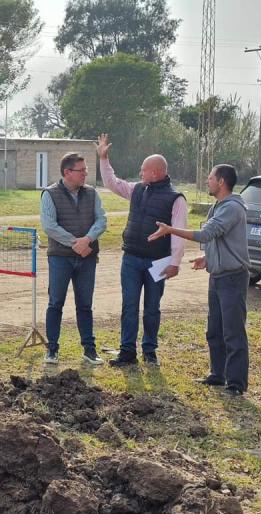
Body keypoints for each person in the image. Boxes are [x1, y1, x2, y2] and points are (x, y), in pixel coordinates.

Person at [148, 164, 250, 396]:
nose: (207, 180)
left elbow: (206, 234)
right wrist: (208, 256)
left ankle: (235, 384)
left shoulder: (232, 208)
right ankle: (218, 374)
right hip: (218, 275)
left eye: (210, 177)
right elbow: (220, 240)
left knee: (233, 331)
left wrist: (169, 230)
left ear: (221, 181)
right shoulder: (219, 206)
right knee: (214, 329)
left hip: (233, 278)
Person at [95, 133, 187, 367]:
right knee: (129, 305)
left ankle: (150, 350)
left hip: (158, 262)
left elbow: (178, 232)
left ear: (154, 172)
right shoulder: (137, 189)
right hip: (131, 258)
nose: (140, 173)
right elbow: (112, 183)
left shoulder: (176, 199)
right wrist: (103, 159)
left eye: (143, 169)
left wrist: (175, 263)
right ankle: (127, 352)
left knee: (152, 308)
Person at [41, 152, 107, 365]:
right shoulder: (49, 194)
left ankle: (89, 349)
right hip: (60, 258)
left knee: (85, 304)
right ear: (67, 172)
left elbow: (101, 220)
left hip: (87, 258)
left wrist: (87, 239)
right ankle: (52, 349)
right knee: (56, 303)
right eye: (82, 170)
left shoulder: (92, 193)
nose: (86, 174)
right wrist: (75, 243)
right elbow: (49, 226)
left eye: (86, 170)